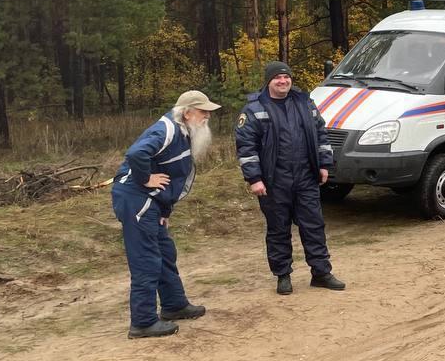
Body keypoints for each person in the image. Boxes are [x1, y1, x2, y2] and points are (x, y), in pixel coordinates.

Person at [113, 90, 220, 338]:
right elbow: (136, 154)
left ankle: (174, 305)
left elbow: (171, 176)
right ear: (187, 112)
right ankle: (143, 322)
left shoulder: (183, 132)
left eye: (208, 112)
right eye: (203, 111)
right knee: (146, 260)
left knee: (164, 252)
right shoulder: (166, 130)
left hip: (151, 203)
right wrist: (146, 178)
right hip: (135, 200)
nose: (207, 116)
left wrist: (164, 209)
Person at [236, 62, 346, 295]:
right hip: (274, 180)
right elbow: (246, 148)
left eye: (286, 77)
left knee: (314, 226)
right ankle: (283, 275)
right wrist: (254, 179)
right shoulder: (254, 109)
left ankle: (321, 272)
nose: (283, 81)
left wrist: (325, 164)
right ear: (269, 81)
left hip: (306, 177)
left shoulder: (304, 102)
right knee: (278, 229)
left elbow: (320, 133)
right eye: (277, 78)